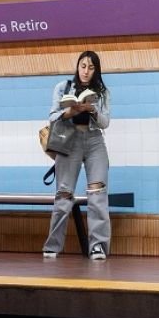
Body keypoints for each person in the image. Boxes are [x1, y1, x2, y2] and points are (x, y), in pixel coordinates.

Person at [43, 51, 111, 261]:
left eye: (91, 68)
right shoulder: (63, 87)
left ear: (96, 70)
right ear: (78, 66)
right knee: (63, 195)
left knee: (97, 193)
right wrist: (70, 112)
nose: (86, 71)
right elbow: (53, 116)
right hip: (69, 141)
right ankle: (53, 246)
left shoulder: (102, 92)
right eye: (83, 66)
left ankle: (98, 246)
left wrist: (92, 110)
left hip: (94, 142)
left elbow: (105, 122)